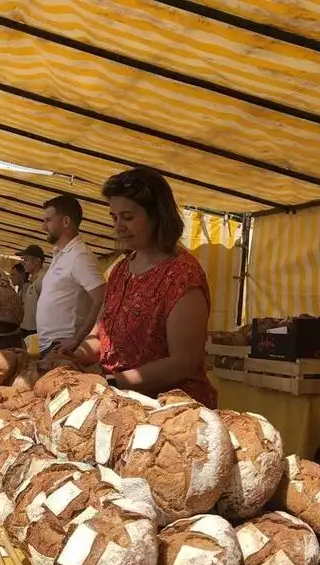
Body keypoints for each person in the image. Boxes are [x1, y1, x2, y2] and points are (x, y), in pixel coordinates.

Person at [70, 167, 217, 406]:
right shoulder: (120, 270)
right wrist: (73, 355)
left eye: (128, 217)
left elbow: (182, 362)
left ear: (157, 216)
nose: (118, 227)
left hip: (171, 412)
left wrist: (112, 381)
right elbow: (100, 338)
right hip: (119, 402)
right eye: (114, 218)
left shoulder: (183, 276)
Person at [37, 195, 105, 355]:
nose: (43, 227)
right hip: (52, 345)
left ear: (66, 221)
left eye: (48, 220)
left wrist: (77, 339)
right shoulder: (61, 254)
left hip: (63, 345)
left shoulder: (80, 256)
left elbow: (103, 299)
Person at [17, 245, 45, 338]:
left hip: (36, 331)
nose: (23, 263)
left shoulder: (43, 279)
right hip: (27, 329)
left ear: (37, 261)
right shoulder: (33, 279)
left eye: (26, 260)